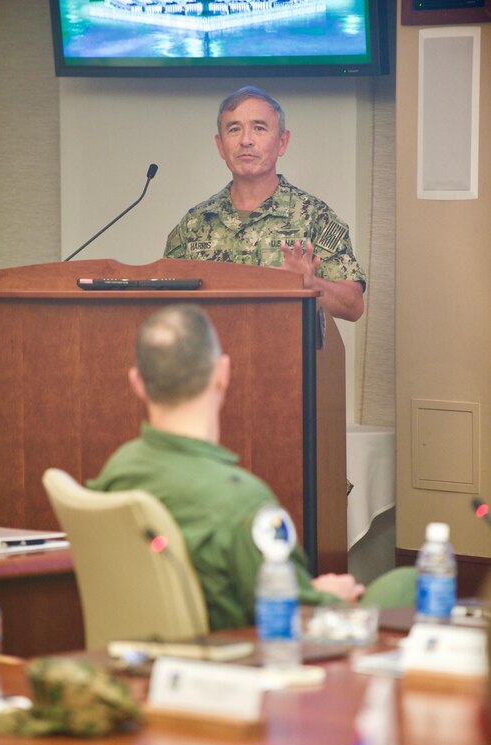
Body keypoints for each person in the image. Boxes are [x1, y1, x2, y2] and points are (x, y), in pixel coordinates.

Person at [87, 304, 415, 631]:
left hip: (140, 655)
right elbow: (293, 611)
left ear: (137, 382)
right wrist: (330, 595)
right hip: (241, 657)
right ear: (222, 374)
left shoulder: (116, 471)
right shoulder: (244, 502)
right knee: (406, 583)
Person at [164, 86, 365, 322]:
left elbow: (354, 305)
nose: (246, 141)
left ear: (282, 142)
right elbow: (165, 302)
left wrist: (311, 285)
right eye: (234, 129)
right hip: (211, 356)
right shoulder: (194, 223)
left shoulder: (315, 216)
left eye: (259, 128)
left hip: (287, 356)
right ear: (221, 146)